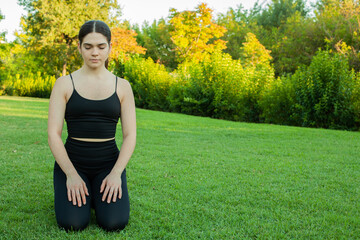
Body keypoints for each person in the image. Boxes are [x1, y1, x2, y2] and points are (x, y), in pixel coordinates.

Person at [47, 20, 136, 231]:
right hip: (72, 162)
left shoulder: (123, 86)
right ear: (79, 47)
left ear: (110, 47)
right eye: (88, 47)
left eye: (100, 46)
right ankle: (84, 191)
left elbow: (130, 135)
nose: (94, 52)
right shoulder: (64, 84)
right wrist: (71, 174)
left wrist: (116, 174)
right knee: (72, 223)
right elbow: (53, 134)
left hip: (108, 164)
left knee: (114, 223)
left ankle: (95, 193)